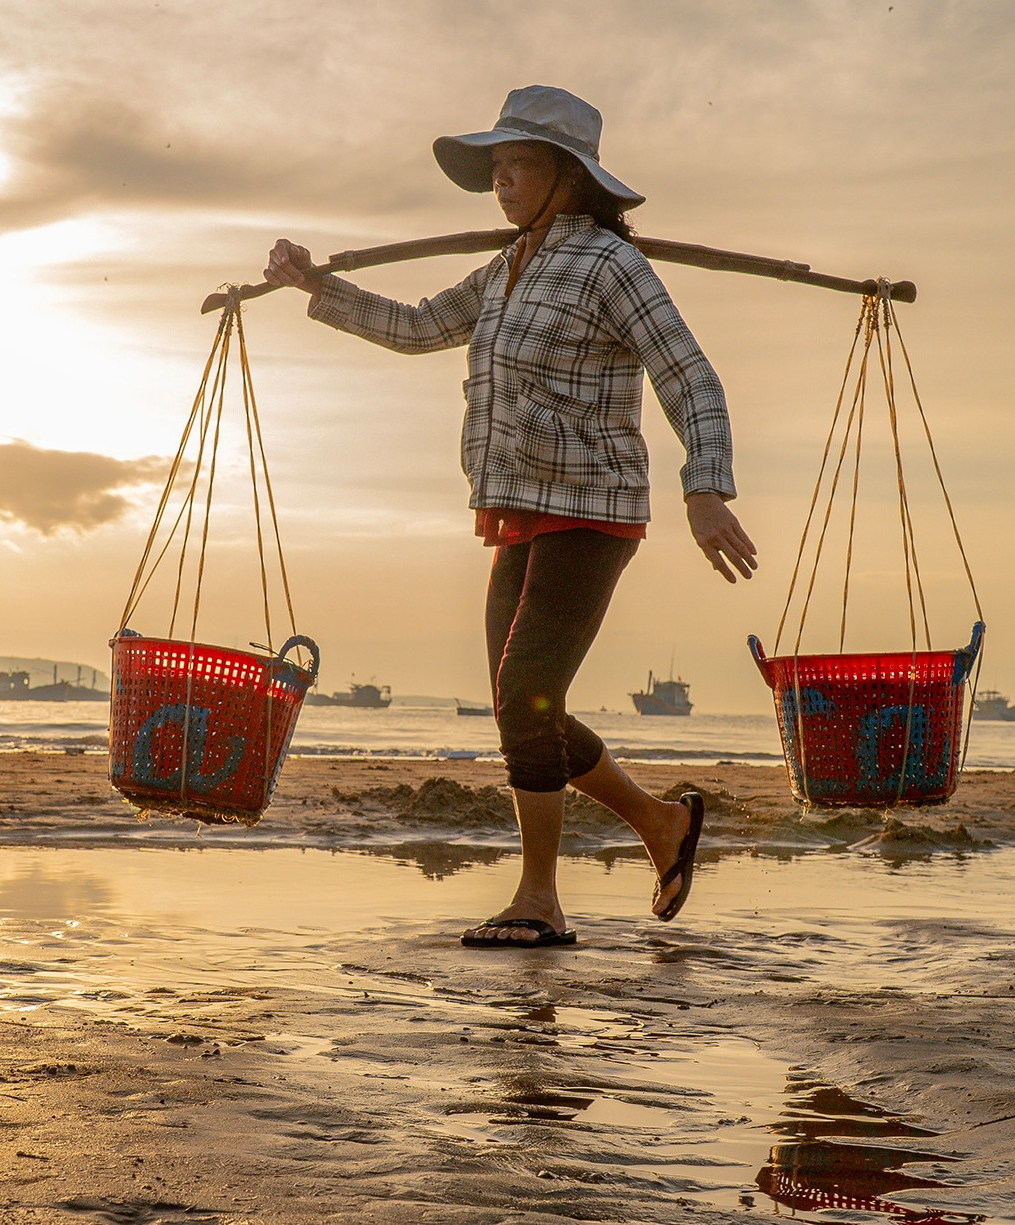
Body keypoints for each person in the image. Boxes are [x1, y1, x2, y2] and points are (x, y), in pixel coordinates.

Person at [264, 85, 757, 948]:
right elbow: (419, 327)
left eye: (516, 163)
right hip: (517, 509)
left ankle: (539, 898)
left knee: (525, 696)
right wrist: (319, 286)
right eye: (494, 168)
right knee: (518, 705)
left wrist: (705, 485)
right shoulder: (504, 269)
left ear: (568, 174)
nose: (499, 181)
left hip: (593, 510)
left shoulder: (611, 267)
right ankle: (661, 825)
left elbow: (692, 377)